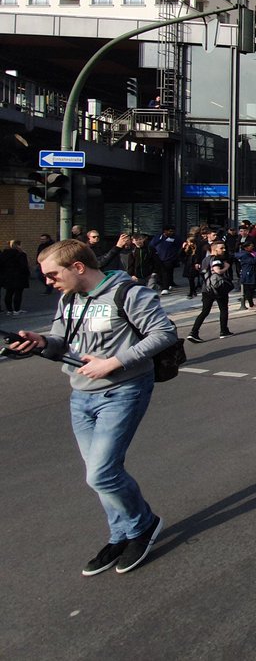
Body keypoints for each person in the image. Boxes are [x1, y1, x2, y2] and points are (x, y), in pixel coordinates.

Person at [11, 239, 175, 574]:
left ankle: (143, 525)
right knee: (99, 476)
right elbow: (60, 340)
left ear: (78, 267)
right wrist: (40, 342)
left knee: (101, 472)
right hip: (80, 394)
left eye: (53, 275)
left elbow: (164, 333)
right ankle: (121, 534)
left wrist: (112, 362)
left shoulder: (129, 293)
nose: (48, 282)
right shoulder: (69, 297)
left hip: (123, 390)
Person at [186, 241, 235, 342]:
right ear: (214, 249)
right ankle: (224, 331)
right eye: (221, 248)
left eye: (224, 248)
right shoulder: (217, 259)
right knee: (223, 309)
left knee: (205, 311)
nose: (224, 250)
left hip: (206, 288)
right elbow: (217, 271)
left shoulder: (205, 259)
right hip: (218, 288)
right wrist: (226, 267)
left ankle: (194, 332)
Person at [0, 239, 31, 315]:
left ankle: (9, 310)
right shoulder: (21, 254)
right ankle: (17, 310)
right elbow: (24, 266)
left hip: (7, 276)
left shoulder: (4, 254)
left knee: (9, 293)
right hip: (19, 276)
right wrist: (27, 274)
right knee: (18, 293)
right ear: (18, 245)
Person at [149, 226, 180, 293]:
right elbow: (151, 245)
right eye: (170, 231)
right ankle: (162, 284)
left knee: (167, 272)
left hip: (169, 258)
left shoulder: (175, 238)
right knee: (160, 273)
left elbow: (178, 246)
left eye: (173, 231)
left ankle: (166, 286)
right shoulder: (158, 237)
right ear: (165, 231)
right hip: (159, 258)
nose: (172, 233)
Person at [234, 242, 256, 311]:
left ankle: (250, 303)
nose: (252, 247)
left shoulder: (251, 253)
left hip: (252, 272)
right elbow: (253, 261)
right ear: (246, 247)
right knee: (249, 290)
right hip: (248, 274)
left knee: (251, 289)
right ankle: (250, 304)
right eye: (251, 246)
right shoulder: (244, 255)